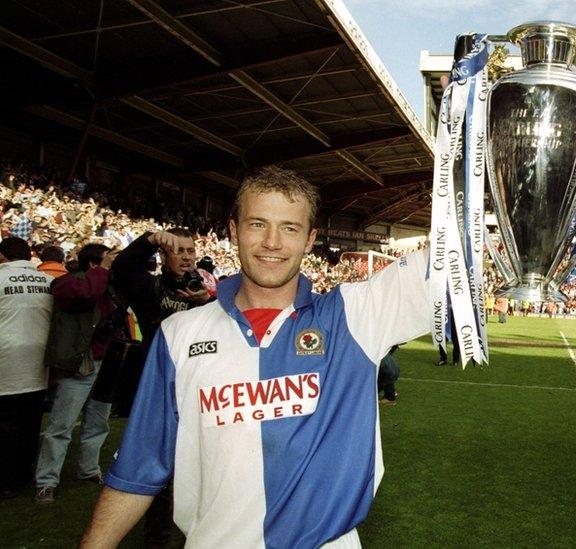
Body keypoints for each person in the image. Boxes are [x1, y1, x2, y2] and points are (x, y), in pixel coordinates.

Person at [81, 166, 429, 548]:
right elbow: (138, 467)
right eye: (258, 224)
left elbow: (456, 258)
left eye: (290, 228)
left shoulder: (356, 315)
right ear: (233, 231)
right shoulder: (179, 335)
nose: (272, 242)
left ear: (310, 238)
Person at [108, 226, 213, 546]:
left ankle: (201, 532)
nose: (186, 257)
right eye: (178, 251)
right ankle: (157, 537)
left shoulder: (208, 294)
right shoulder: (150, 288)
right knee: (160, 470)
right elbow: (122, 268)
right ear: (164, 256)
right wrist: (149, 240)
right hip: (158, 392)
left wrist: (205, 303)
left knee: (202, 466)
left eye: (190, 251)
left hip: (198, 391)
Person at [34, 243, 118, 504]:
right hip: (80, 362)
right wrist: (103, 271)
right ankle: (46, 481)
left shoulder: (109, 285)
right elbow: (85, 294)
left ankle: (89, 469)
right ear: (94, 264)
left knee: (97, 422)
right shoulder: (69, 283)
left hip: (106, 361)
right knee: (60, 425)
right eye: (108, 262)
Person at [0, 237, 54, 499]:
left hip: (6, 361)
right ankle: (23, 473)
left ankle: (8, 479)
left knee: (6, 423)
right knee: (30, 422)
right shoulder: (48, 281)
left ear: (3, 256)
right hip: (38, 362)